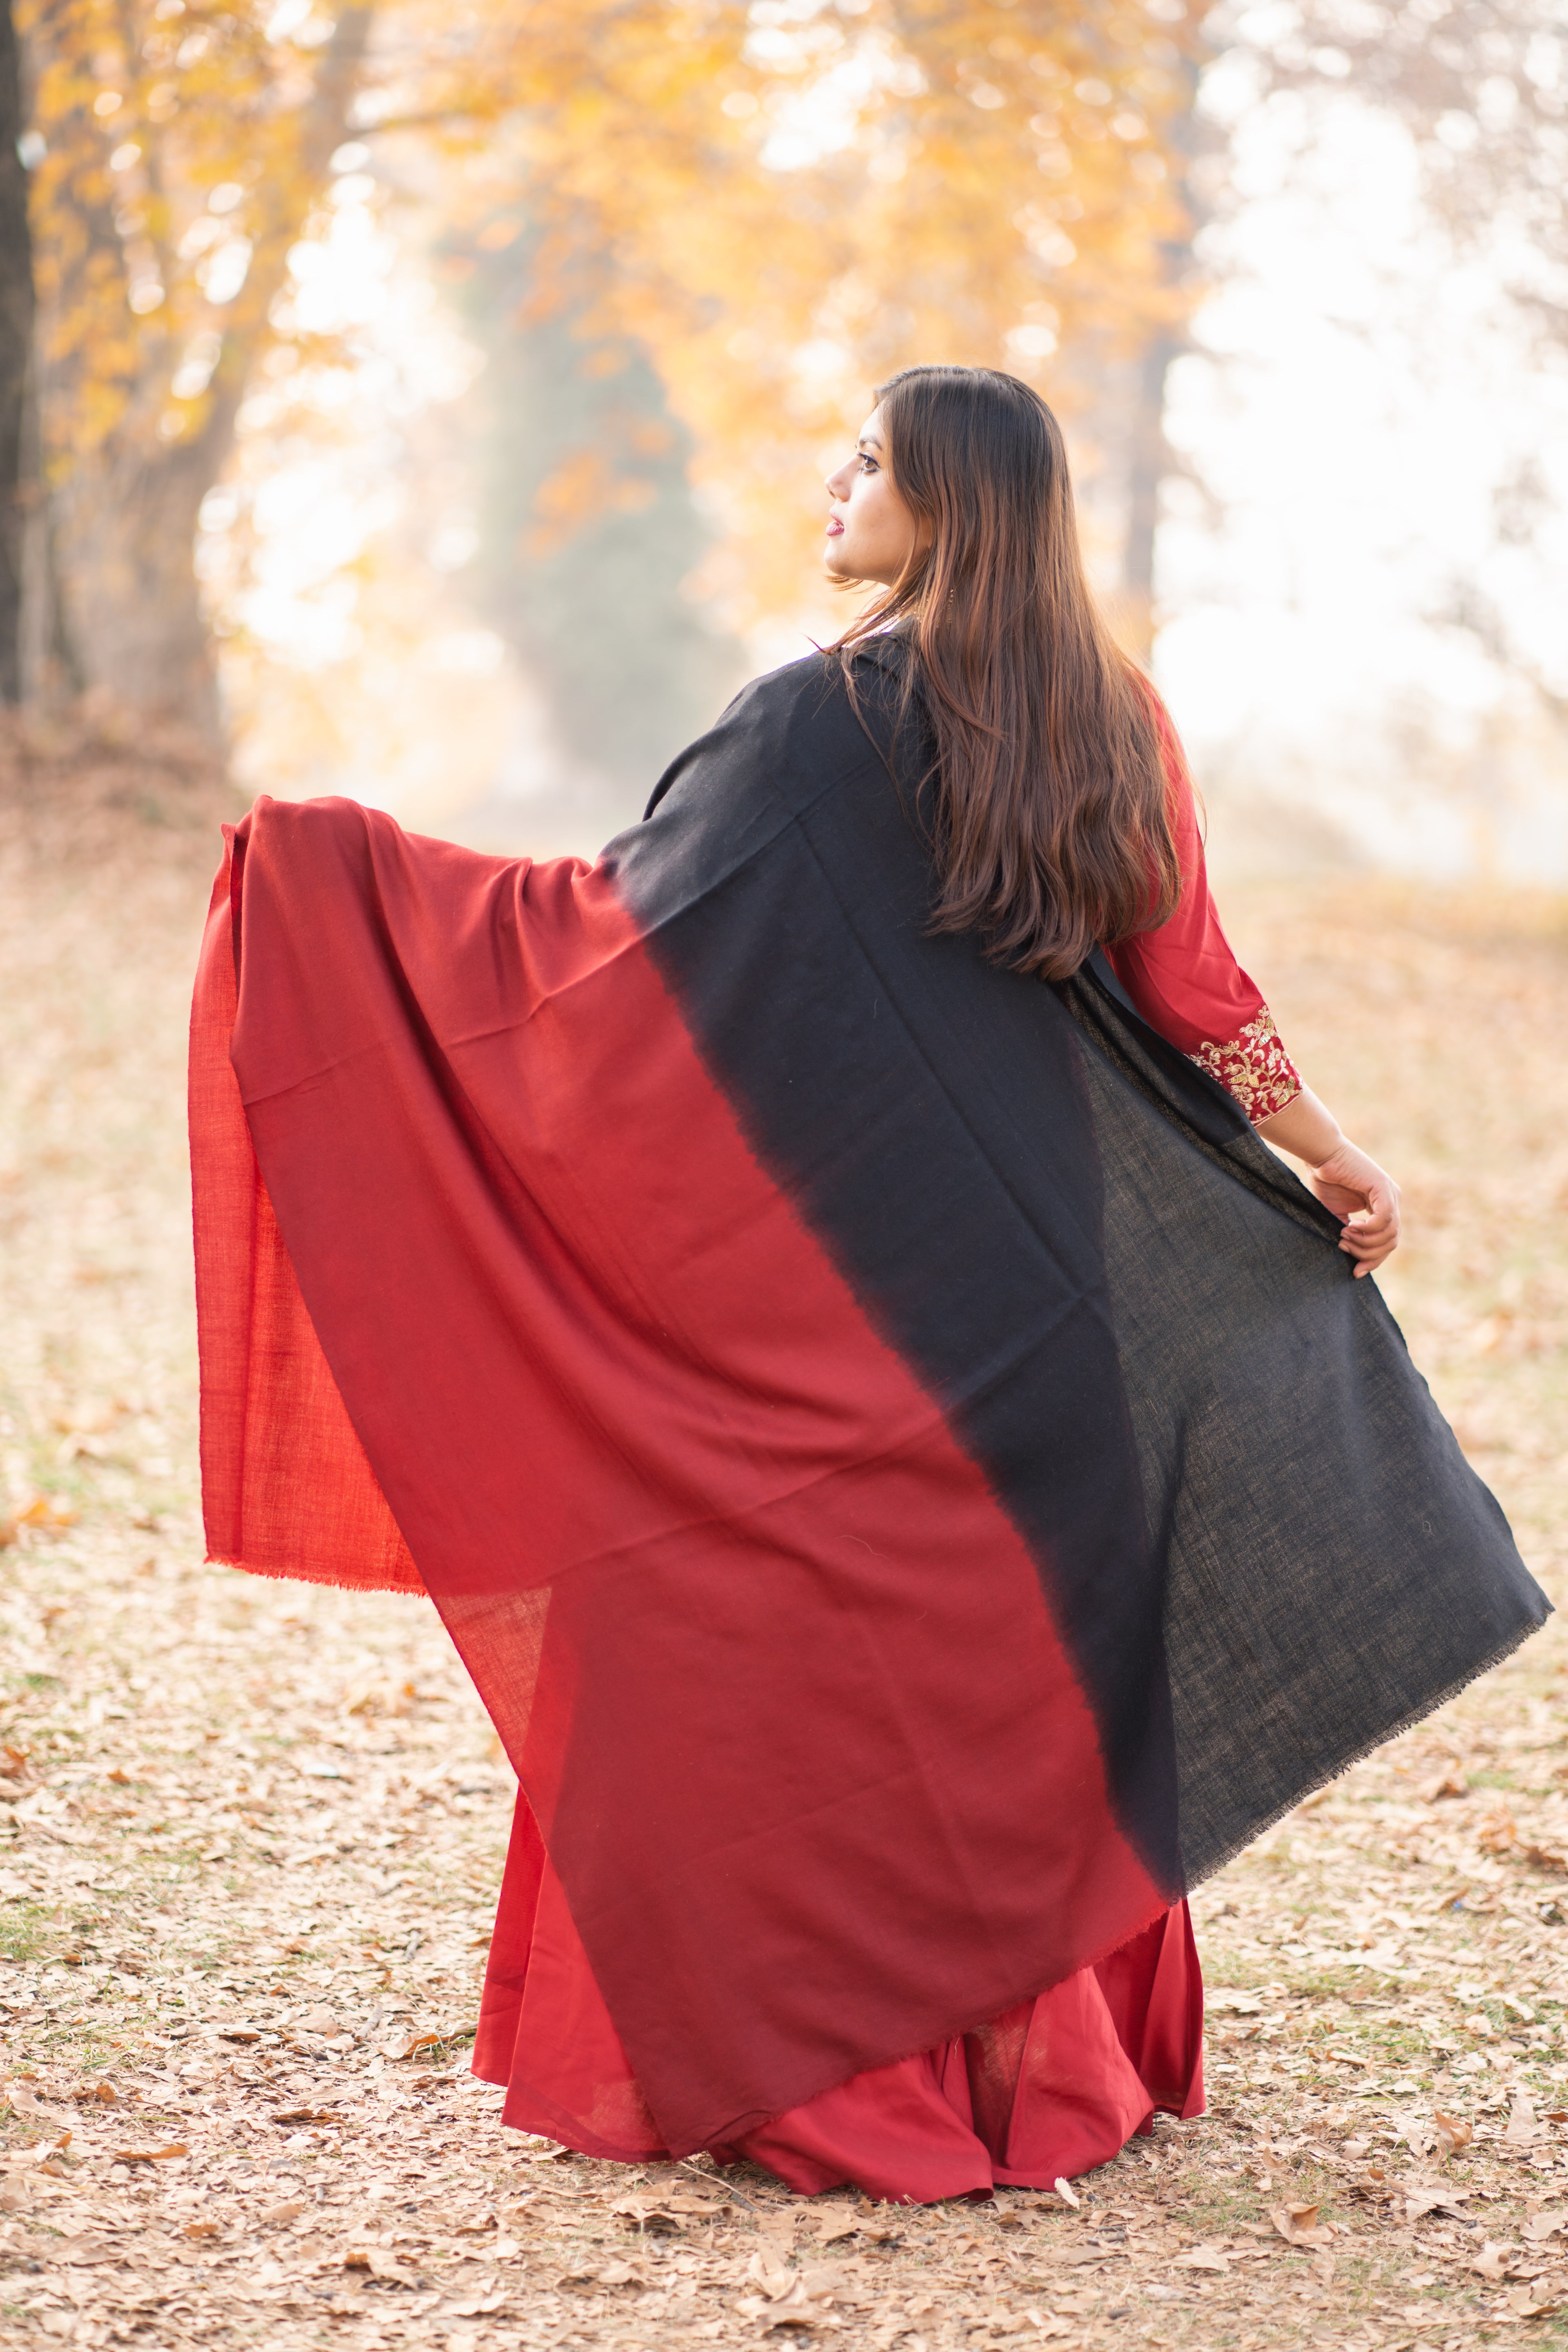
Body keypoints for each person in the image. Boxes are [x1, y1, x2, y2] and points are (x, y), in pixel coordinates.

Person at [189, 366, 1545, 2208]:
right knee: (1011, 1670)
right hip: (1060, 1308)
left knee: (769, 1644)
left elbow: (604, 953)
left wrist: (341, 884)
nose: (834, 487)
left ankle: (830, 2072)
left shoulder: (806, 726)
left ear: (952, 509)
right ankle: (1041, 2070)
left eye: (871, 468)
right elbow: (1198, 991)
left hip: (847, 1296)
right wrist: (1327, 1147)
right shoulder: (1114, 720)